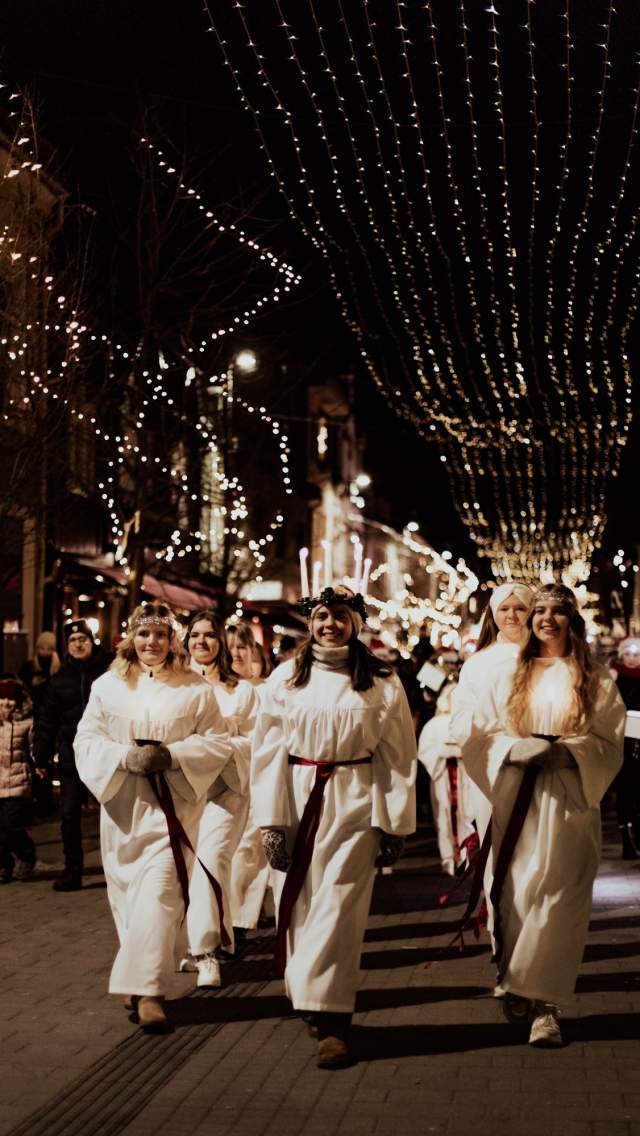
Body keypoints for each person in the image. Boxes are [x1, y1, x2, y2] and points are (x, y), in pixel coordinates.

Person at [252, 578, 417, 1069]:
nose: (330, 625)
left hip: (355, 801)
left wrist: (395, 822)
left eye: (340, 617)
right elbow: (265, 755)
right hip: (300, 797)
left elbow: (398, 755)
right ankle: (312, 996)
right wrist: (270, 821)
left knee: (340, 904)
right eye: (322, 617)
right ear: (311, 623)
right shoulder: (283, 680)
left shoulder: (382, 681)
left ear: (356, 624)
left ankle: (332, 1019)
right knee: (303, 901)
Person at [461, 583, 625, 1048]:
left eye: (558, 611)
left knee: (560, 897)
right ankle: (516, 979)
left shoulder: (595, 677)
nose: (546, 619)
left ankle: (546, 1007)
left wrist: (569, 755)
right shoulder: (510, 674)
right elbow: (481, 733)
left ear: (572, 620)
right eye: (540, 611)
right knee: (518, 893)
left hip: (570, 798)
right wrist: (516, 749)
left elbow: (610, 741)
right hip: (518, 796)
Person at [74, 601, 232, 1033]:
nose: (152, 643)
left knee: (160, 895)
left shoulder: (195, 690)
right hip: (124, 813)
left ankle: (149, 995)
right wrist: (125, 757)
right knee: (128, 900)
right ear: (131, 637)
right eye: (144, 634)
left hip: (172, 814)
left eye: (161, 635)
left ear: (172, 639)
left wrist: (172, 755)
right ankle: (137, 972)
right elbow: (86, 740)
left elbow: (219, 742)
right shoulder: (108, 687)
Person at [182, 610, 258, 986]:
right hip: (183, 792)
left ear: (221, 642)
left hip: (226, 790)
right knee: (185, 870)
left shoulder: (241, 691)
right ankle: (210, 938)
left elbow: (257, 742)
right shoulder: (175, 688)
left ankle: (207, 952)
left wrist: (222, 748)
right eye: (195, 635)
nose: (201, 641)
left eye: (209, 635)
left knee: (211, 864)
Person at [451, 583, 534, 840]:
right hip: (494, 764)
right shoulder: (478, 664)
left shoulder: (548, 657)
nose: (512, 616)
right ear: (493, 614)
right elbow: (462, 718)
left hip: (540, 765)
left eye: (520, 608)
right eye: (504, 608)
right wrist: (500, 749)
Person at [33, 620, 110, 891]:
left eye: (83, 638)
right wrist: (40, 757)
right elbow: (46, 723)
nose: (78, 643)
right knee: (68, 815)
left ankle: (118, 869)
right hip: (71, 759)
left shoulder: (109, 673)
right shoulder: (59, 681)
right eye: (73, 640)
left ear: (92, 641)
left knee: (113, 815)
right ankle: (72, 869)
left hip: (106, 757)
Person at [418, 682, 475, 876]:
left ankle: (466, 854)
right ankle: (448, 857)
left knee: (466, 814)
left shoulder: (466, 722)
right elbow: (425, 750)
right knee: (443, 816)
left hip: (463, 775)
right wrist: (442, 754)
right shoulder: (434, 725)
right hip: (442, 776)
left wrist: (462, 754)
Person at [0, 679, 45, 883]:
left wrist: (40, 765)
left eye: (11, 698)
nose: (6, 703)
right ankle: (4, 865)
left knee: (11, 825)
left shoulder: (26, 723)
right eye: (3, 698)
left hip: (18, 781)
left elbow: (33, 748)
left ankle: (27, 856)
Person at [611, 637, 640, 858]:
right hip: (622, 740)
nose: (632, 659)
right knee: (626, 788)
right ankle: (626, 838)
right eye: (628, 654)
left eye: (636, 654)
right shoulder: (613, 675)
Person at [19, 631, 61, 720]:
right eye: (42, 648)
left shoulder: (58, 668)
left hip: (53, 711)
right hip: (32, 711)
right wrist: (31, 684)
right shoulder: (29, 666)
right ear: (37, 649)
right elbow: (21, 687)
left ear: (53, 650)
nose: (45, 652)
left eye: (49, 649)